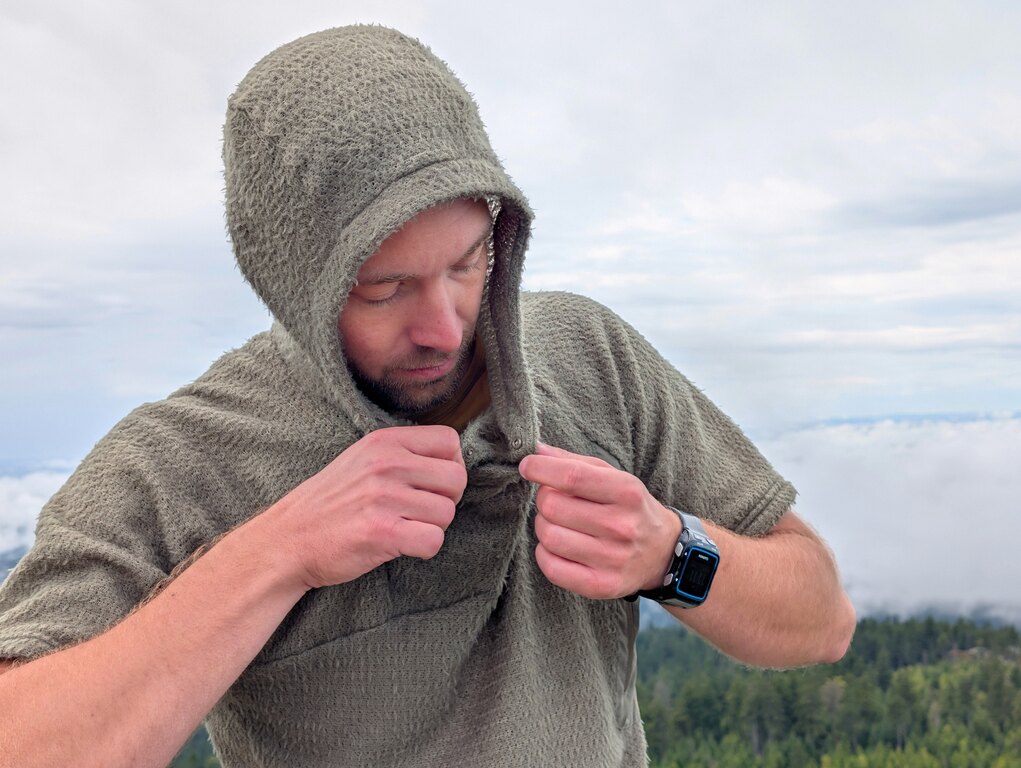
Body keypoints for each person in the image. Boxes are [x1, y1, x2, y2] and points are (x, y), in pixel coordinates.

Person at [0, 25, 855, 768]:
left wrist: (673, 556)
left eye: (467, 263)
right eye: (384, 288)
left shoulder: (590, 357)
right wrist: (276, 554)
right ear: (292, 279)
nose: (444, 327)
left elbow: (820, 618)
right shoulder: (177, 460)